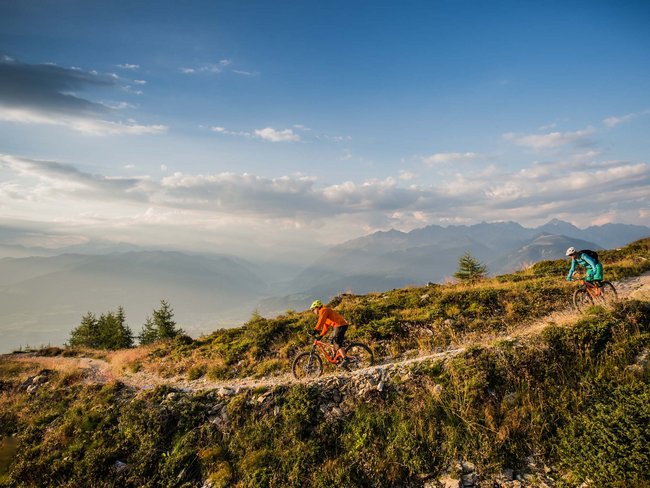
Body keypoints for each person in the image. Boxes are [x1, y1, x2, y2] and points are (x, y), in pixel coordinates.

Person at [309, 300, 349, 364]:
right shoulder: (323, 313)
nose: (313, 311)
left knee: (336, 342)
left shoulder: (323, 310)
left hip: (340, 325)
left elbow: (321, 321)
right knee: (330, 340)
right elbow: (325, 327)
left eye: (313, 310)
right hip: (337, 326)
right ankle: (336, 356)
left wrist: (316, 330)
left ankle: (345, 359)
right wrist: (321, 335)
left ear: (317, 307)